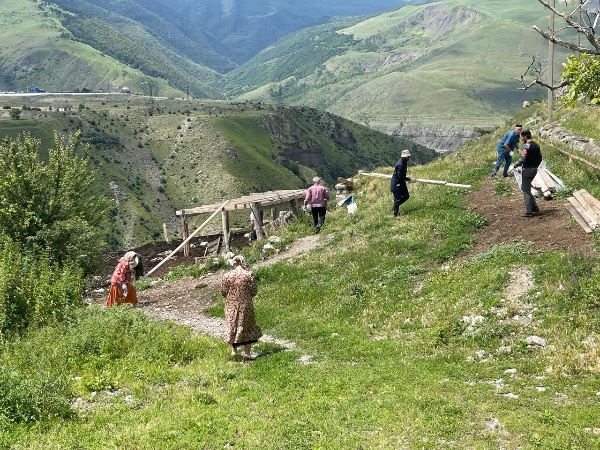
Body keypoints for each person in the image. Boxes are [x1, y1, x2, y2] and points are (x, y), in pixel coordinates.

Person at [220, 255, 263, 360]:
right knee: (246, 326)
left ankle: (234, 351)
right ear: (243, 262)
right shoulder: (248, 275)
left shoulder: (227, 276)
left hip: (231, 306)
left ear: (234, 263)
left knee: (232, 325)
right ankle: (247, 353)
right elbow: (254, 291)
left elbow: (223, 291)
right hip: (245, 305)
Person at [513, 129, 542, 217]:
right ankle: (535, 207)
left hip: (527, 170)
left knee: (525, 190)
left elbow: (523, 159)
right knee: (525, 187)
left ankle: (529, 211)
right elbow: (540, 157)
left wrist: (516, 164)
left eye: (522, 137)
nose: (522, 139)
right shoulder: (536, 145)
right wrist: (536, 166)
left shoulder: (526, 146)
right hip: (534, 169)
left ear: (525, 137)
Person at [390, 149, 413, 217]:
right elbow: (399, 176)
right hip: (396, 183)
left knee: (406, 196)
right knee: (397, 199)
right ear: (404, 157)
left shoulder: (404, 162)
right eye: (407, 156)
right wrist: (409, 179)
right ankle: (395, 214)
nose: (408, 157)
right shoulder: (400, 165)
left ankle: (395, 206)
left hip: (401, 182)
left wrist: (406, 178)